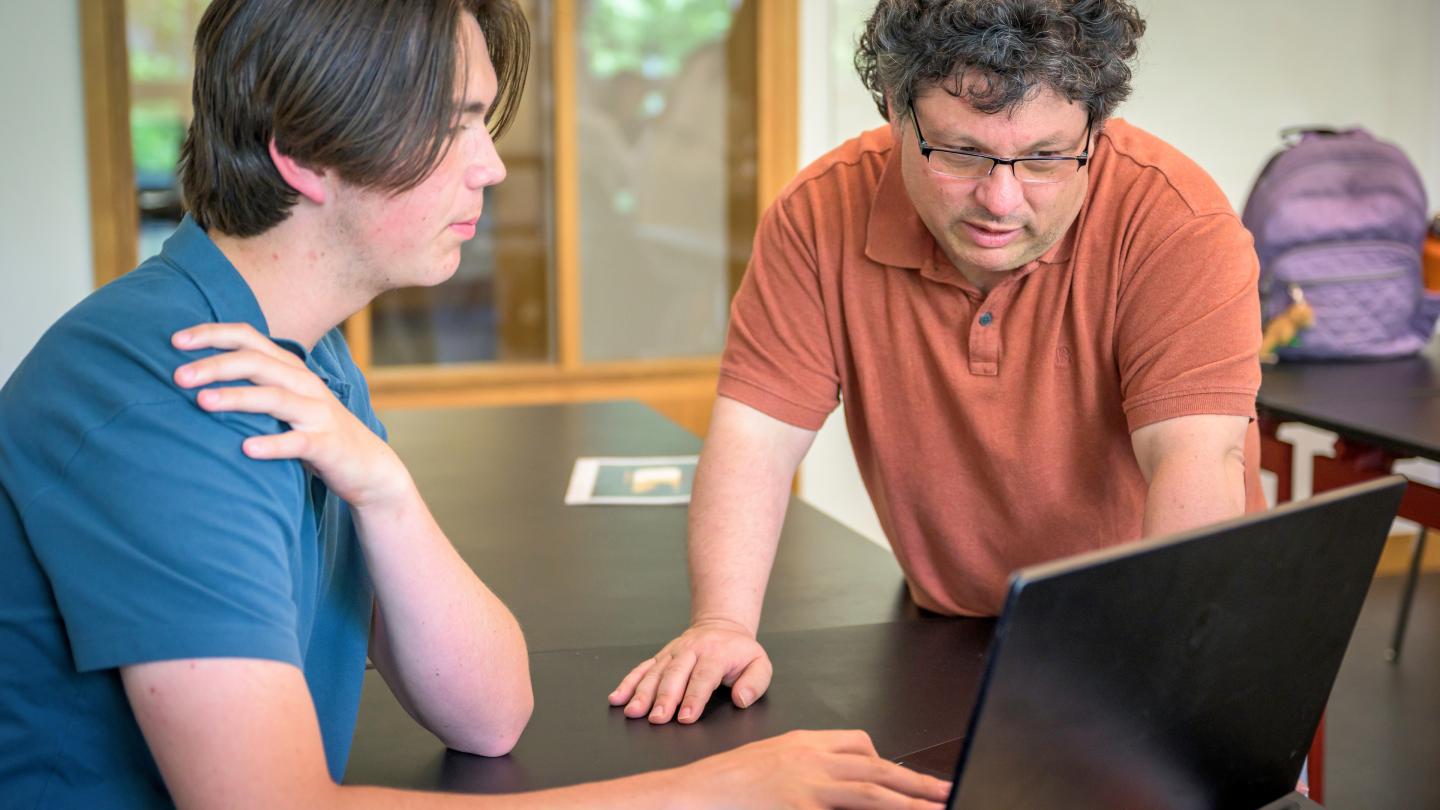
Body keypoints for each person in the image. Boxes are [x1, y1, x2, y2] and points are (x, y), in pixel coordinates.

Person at [0, 1, 948, 807]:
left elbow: (490, 713)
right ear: (307, 156)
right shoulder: (173, 387)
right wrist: (709, 790)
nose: (491, 166)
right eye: (455, 123)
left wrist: (386, 489)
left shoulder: (298, 354)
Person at [611, 0, 1268, 727]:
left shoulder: (1177, 223)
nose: (1001, 201)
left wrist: (1164, 665)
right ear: (896, 109)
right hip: (955, 629)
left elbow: (1198, 460)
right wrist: (722, 626)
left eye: (1046, 158)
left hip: (1169, 626)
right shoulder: (819, 214)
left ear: (1096, 124)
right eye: (961, 153)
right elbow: (755, 441)